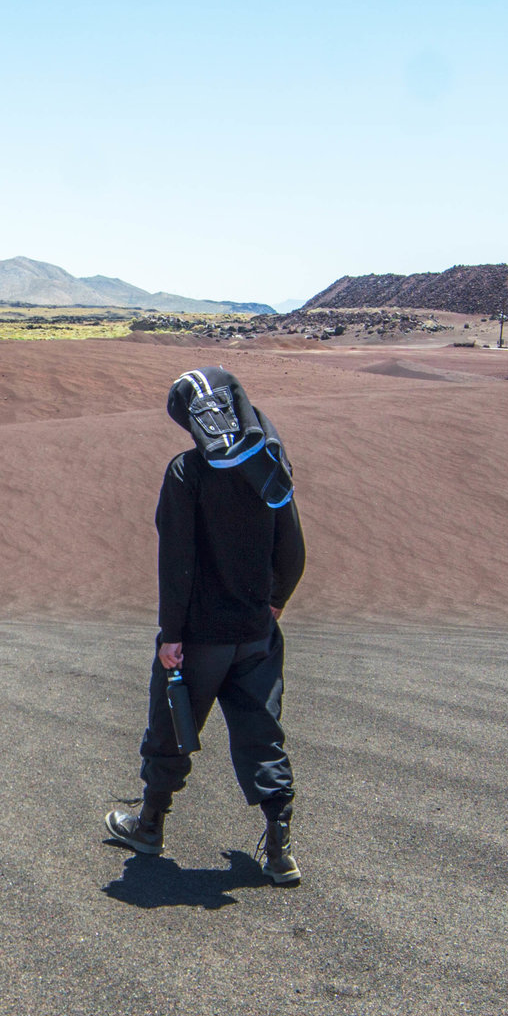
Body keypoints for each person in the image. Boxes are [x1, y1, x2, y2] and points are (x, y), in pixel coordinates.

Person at [105, 366, 306, 884]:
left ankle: (149, 827)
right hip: (256, 633)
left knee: (172, 728)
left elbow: (177, 563)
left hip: (198, 638)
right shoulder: (268, 464)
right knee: (262, 733)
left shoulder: (186, 472)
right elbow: (293, 548)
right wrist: (275, 600)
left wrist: (171, 636)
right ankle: (280, 848)